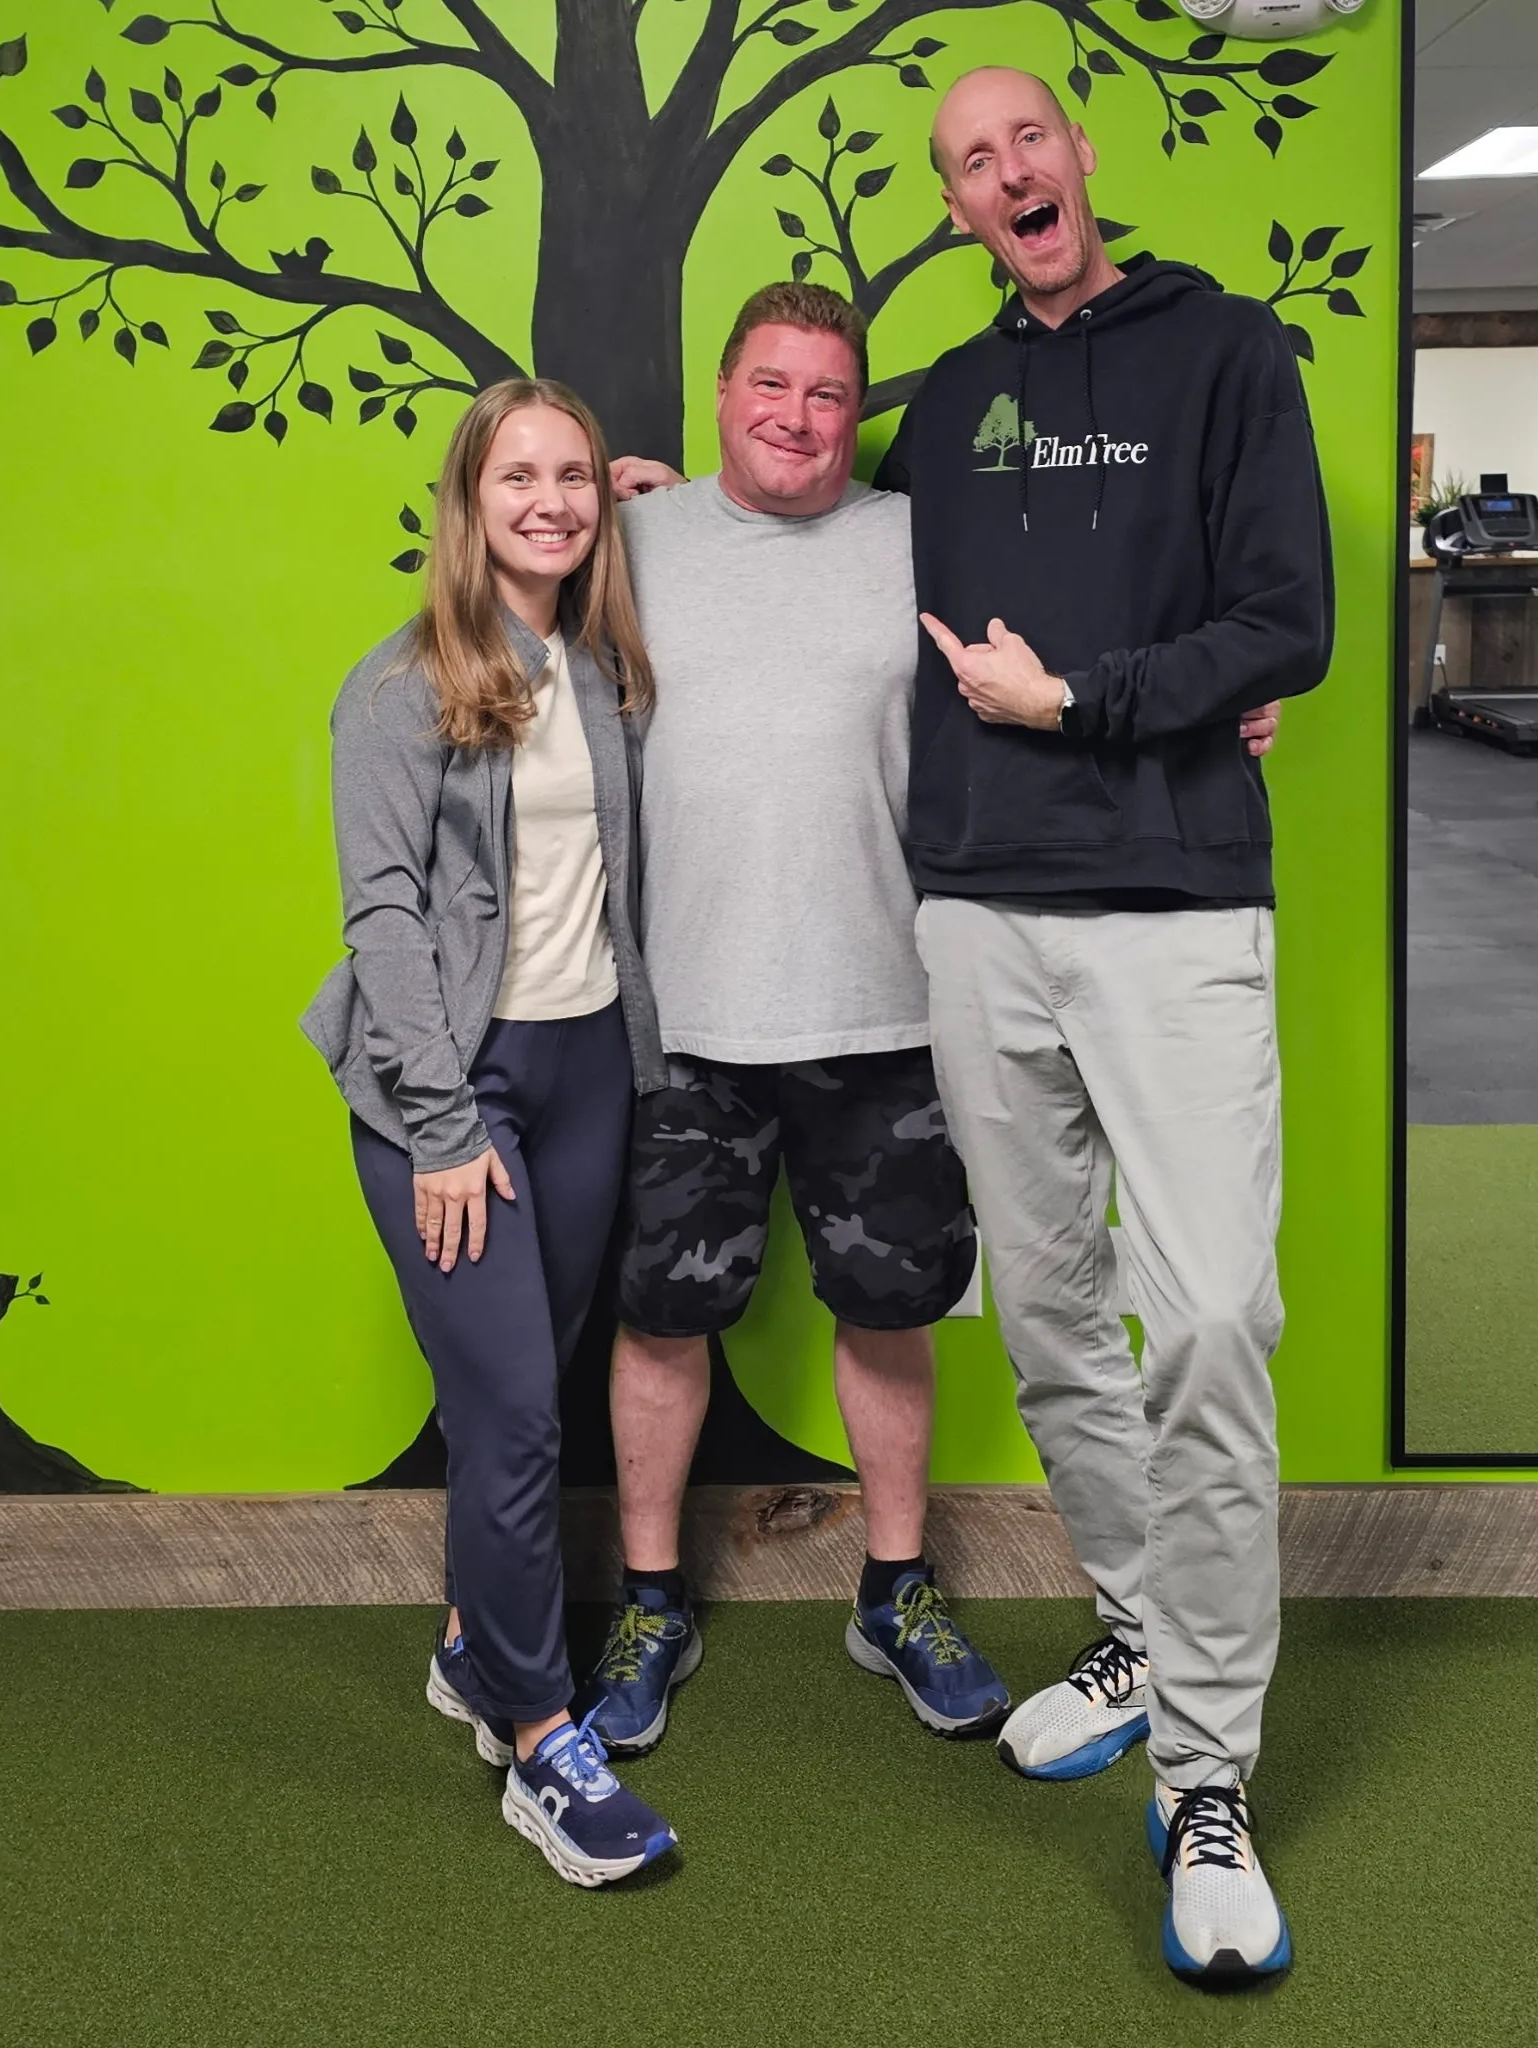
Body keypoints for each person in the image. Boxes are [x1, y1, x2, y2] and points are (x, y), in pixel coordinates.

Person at [875, 68, 1334, 1984]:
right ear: (962, 212)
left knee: (1210, 1317)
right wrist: (665, 507)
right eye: (971, 163)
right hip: (982, 911)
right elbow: (813, 535)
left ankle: (1207, 1781)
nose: (1009, 172)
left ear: (1079, 156)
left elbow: (1288, 623)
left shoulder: (1229, 353)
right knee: (1054, 1313)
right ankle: (1144, 1626)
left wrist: (1090, 701)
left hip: (1173, 903)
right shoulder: (942, 409)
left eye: (1028, 139)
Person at [582, 284, 1012, 1755]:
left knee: (892, 1310)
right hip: (681, 1019)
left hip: (885, 1007)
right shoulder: (631, 542)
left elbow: (1073, 632)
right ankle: (652, 1601)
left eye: (828, 393)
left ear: (855, 412)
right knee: (660, 1316)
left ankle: (895, 1590)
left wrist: (1229, 704)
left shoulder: (921, 540)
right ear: (721, 394)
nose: (798, 416)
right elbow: (495, 603)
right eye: (770, 385)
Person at [300, 377, 677, 1889]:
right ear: (467, 501)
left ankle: (473, 1641)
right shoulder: (399, 688)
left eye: (573, 476)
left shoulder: (603, 664)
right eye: (516, 476)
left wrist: (662, 507)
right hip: (453, 1087)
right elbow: (382, 918)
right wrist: (445, 1128)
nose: (550, 502)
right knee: (518, 1415)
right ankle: (540, 1737)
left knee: (528, 1392)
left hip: (591, 1072)